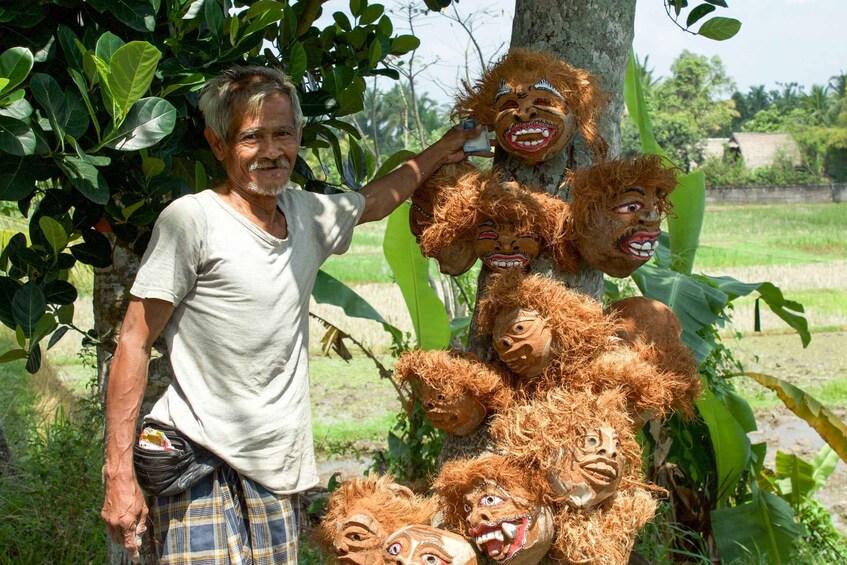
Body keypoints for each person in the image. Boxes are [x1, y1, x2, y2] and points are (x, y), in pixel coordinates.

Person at [100, 65, 487, 563]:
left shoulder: (306, 215)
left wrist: (447, 147)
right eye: (251, 137)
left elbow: (373, 202)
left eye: (283, 134)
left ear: (300, 136)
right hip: (197, 460)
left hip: (277, 469)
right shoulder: (191, 220)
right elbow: (133, 339)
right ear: (218, 144)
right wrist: (118, 473)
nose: (271, 151)